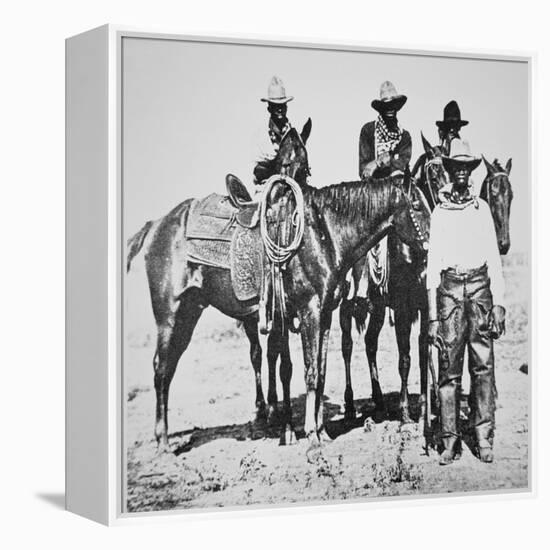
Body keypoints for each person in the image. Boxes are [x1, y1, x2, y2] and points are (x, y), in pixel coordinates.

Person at [426, 139, 506, 466]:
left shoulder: (482, 209)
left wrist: (498, 302)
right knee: (448, 367)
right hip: (448, 292)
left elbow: (493, 258)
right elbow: (432, 266)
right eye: (456, 167)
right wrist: (433, 316)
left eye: (466, 167)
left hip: (479, 288)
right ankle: (449, 440)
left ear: (471, 171)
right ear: (449, 170)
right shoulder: (440, 213)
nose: (461, 172)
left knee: (483, 365)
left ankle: (483, 437)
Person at [359, 80, 412, 180]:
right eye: (386, 107)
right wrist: (381, 161)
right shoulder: (368, 131)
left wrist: (379, 163)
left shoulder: (404, 136)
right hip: (373, 189)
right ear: (381, 109)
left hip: (397, 187)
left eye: (393, 106)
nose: (390, 110)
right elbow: (364, 170)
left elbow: (401, 165)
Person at [253, 76, 294, 191]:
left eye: (282, 105)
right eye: (276, 106)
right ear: (269, 108)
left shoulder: (292, 133)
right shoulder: (261, 135)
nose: (280, 109)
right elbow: (257, 171)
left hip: (291, 186)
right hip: (267, 188)